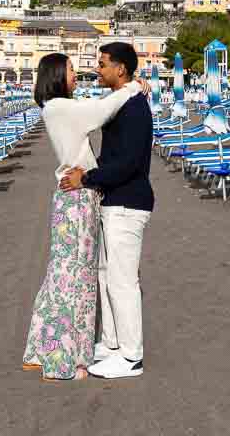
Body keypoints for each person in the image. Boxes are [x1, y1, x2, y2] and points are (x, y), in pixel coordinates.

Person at [22, 53, 148, 381]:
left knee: (69, 275)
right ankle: (66, 356)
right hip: (77, 199)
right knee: (74, 277)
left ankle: (51, 349)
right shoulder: (60, 107)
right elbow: (99, 111)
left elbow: (97, 112)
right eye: (72, 70)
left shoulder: (59, 107)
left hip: (79, 197)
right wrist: (133, 87)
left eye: (96, 66)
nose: (80, 74)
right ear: (56, 75)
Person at [59, 42, 154, 379]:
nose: (97, 70)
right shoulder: (124, 101)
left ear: (121, 70)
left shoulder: (134, 108)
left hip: (128, 204)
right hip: (115, 201)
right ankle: (113, 344)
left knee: (123, 281)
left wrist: (87, 178)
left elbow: (127, 163)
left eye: (102, 64)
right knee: (107, 276)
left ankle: (132, 357)